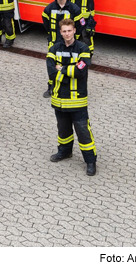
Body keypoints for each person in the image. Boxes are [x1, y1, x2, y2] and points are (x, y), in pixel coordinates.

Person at [47, 19, 97, 176]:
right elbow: (51, 72)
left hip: (77, 100)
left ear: (74, 31)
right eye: (64, 31)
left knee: (83, 131)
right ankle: (64, 151)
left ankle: (90, 161)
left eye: (69, 30)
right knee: (63, 130)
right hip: (59, 99)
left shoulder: (83, 48)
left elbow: (81, 71)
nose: (67, 34)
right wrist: (70, 71)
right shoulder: (54, 48)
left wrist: (61, 69)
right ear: (60, 32)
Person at [42, 0, 84, 98]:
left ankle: (68, 86)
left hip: (69, 44)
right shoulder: (49, 8)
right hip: (54, 43)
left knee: (69, 64)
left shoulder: (74, 9)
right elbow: (45, 21)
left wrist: (75, 37)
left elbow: (80, 25)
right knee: (52, 66)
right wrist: (51, 33)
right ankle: (51, 87)